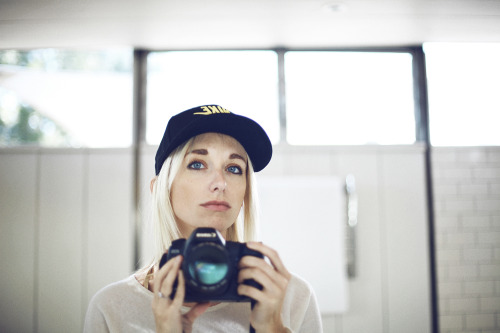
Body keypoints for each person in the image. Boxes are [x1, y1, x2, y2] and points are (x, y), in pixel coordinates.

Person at [84, 105, 323, 333]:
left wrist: (274, 330)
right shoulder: (111, 308)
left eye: (234, 168)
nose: (221, 183)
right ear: (161, 189)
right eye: (197, 164)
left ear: (245, 194)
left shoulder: (292, 297)